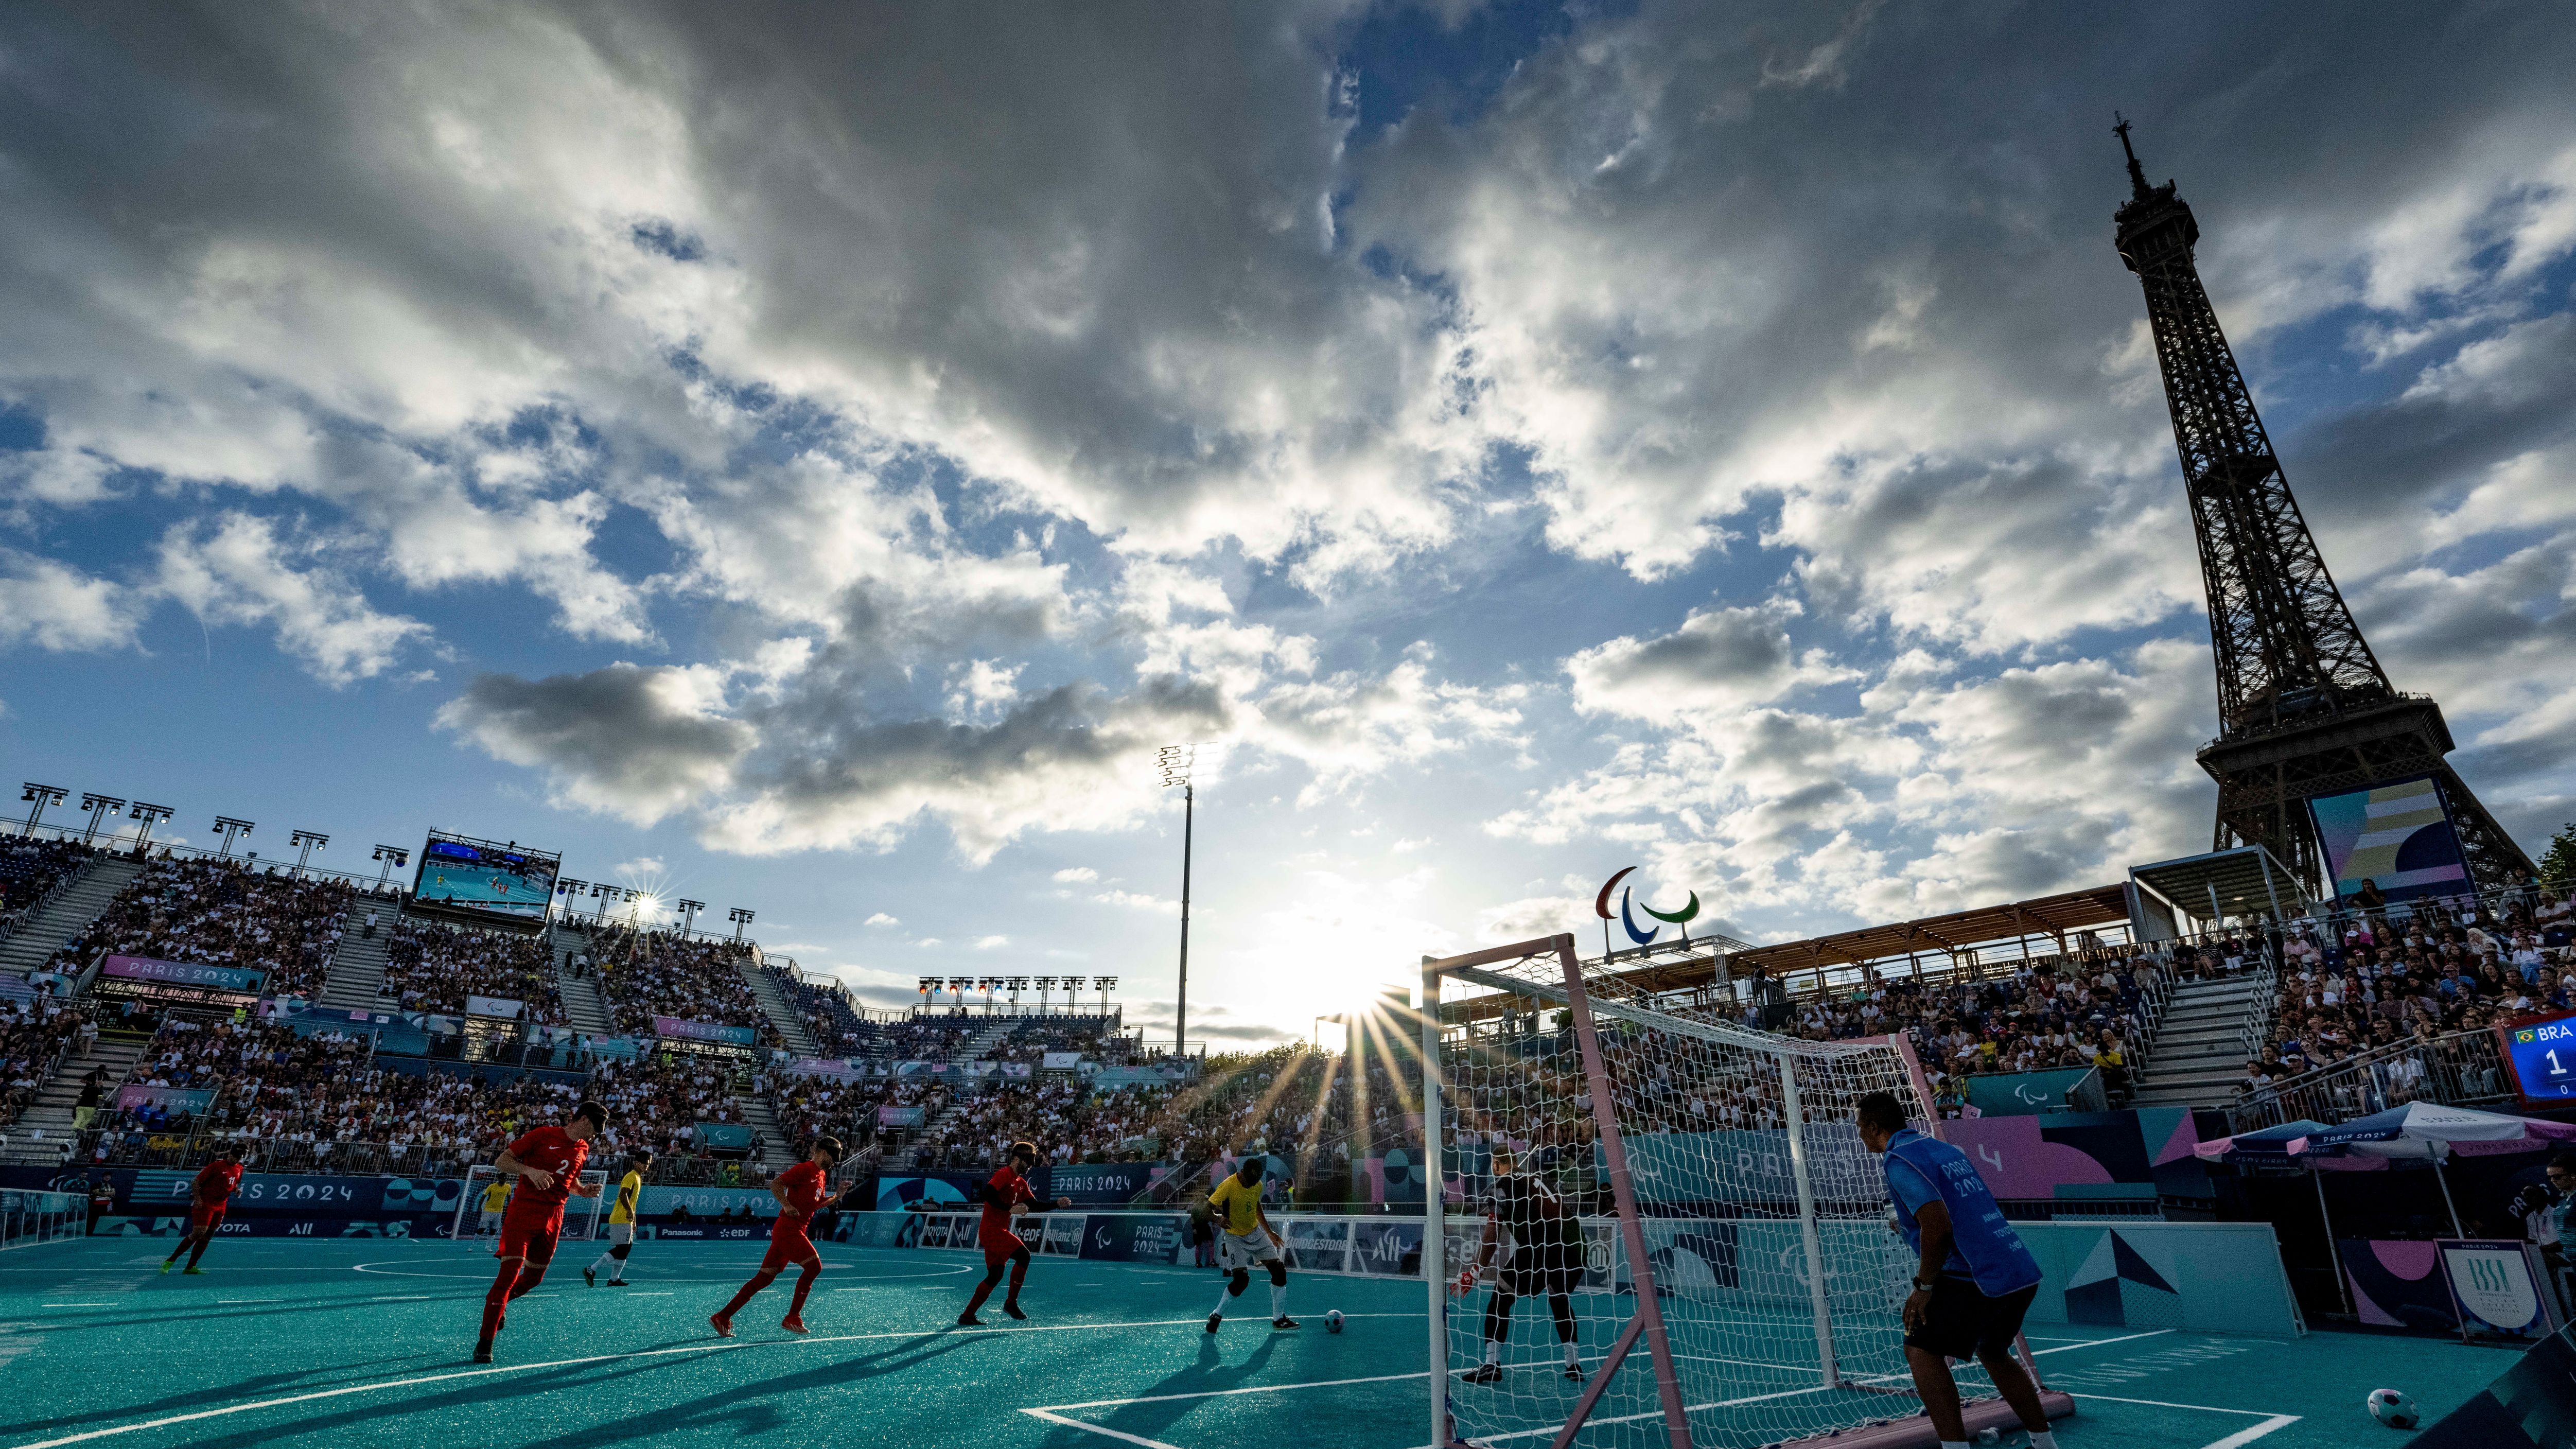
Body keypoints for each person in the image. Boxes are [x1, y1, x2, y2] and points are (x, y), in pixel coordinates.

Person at [1854, 1092, 2058, 1449]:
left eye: (1859, 1127)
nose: (1859, 1134)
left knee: (1921, 1351)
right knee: (1993, 1351)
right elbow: (1953, 1210)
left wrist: (1923, 1285)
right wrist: (1905, 1226)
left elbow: (1938, 1227)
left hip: (1976, 1275)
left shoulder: (1898, 1159)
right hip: (2016, 1267)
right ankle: (2044, 1444)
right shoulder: (1938, 1148)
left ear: (1873, 1126)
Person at [474, 1100, 607, 1365]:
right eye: (596, 1127)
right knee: (508, 1276)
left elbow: (571, 1182)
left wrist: (582, 1191)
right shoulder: (544, 1135)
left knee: (534, 1279)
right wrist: (529, 1170)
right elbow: (502, 1161)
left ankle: (499, 1306)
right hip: (524, 1211)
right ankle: (485, 1343)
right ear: (583, 1120)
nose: (597, 1134)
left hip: (554, 1216)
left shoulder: (583, 1148)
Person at [1456, 1145, 1583, 1383]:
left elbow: (1492, 1236)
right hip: (1576, 1246)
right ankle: (1573, 1364)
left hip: (1542, 1247)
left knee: (1500, 1298)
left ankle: (1492, 1364)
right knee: (1558, 1297)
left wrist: (1475, 1273)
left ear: (1495, 1165)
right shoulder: (1537, 1178)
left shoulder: (1501, 1187)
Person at [711, 1136, 844, 1338]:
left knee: (763, 1279)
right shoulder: (805, 1169)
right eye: (834, 1157)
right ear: (824, 1153)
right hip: (789, 1230)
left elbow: (816, 1204)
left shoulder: (821, 1174)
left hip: (792, 1230)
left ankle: (723, 1316)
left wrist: (838, 1196)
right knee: (814, 1267)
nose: (835, 1161)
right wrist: (786, 1204)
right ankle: (793, 1317)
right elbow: (776, 1184)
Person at [960, 1141, 1072, 1325]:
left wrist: (1056, 1204)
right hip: (992, 1231)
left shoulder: (1021, 1183)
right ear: (1017, 1159)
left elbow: (1034, 1206)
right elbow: (987, 1193)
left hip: (997, 1232)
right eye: (1028, 1161)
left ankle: (967, 1315)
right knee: (1024, 1256)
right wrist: (1009, 1209)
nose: (1030, 1166)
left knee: (995, 1275)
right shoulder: (1004, 1174)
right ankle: (1011, 1303)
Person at [1204, 1157, 1296, 1333]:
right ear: (1242, 1173)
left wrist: (1269, 1232)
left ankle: (1278, 1318)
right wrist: (1218, 1220)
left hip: (1255, 1233)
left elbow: (1256, 1205)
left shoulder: (1256, 1184)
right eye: (1249, 1181)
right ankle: (1217, 1315)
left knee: (1279, 1272)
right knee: (1241, 1281)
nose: (1252, 1185)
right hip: (1234, 1237)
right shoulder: (1228, 1185)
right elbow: (1206, 1210)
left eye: (1256, 1181)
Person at [161, 1144, 244, 1275]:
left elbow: (234, 1182)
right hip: (206, 1203)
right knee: (199, 1232)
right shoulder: (216, 1166)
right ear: (229, 1155)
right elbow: (196, 1182)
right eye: (234, 1157)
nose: (236, 1160)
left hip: (221, 1205)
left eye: (239, 1158)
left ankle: (190, 1267)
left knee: (209, 1235)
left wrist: (236, 1189)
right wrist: (198, 1199)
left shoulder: (240, 1168)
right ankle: (170, 1261)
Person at [585, 1151, 652, 1287]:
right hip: (620, 1217)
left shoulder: (638, 1178)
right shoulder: (631, 1176)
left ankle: (614, 1279)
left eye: (648, 1164)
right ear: (637, 1162)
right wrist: (628, 1212)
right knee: (623, 1248)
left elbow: (633, 1203)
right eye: (645, 1163)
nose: (647, 1166)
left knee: (626, 1249)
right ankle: (592, 1269)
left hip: (626, 1219)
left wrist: (634, 1221)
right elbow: (623, 1195)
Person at [476, 1173, 511, 1237]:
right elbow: (483, 1197)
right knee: (482, 1229)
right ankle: (473, 1245)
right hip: (488, 1210)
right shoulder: (492, 1186)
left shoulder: (508, 1187)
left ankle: (488, 1247)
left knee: (493, 1230)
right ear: (499, 1179)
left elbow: (509, 1198)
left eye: (506, 1179)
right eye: (503, 1178)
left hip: (499, 1211)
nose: (504, 1180)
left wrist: (510, 1207)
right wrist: (479, 1207)